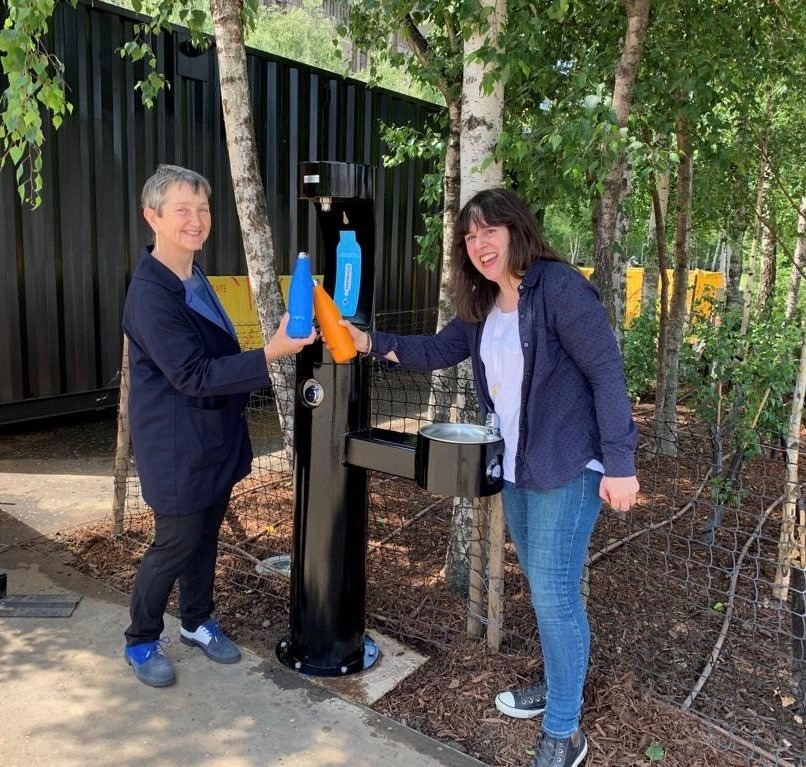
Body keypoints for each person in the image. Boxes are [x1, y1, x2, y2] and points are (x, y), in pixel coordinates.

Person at [339, 188, 638, 767]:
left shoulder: (559, 290)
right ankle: (561, 691)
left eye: (488, 231)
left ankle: (564, 732)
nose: (479, 246)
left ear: (516, 229)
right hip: (521, 468)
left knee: (553, 598)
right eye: (469, 238)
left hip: (569, 468)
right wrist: (371, 343)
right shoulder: (482, 305)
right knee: (549, 592)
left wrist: (621, 463)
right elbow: (434, 350)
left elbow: (607, 373)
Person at [121, 164, 315, 688]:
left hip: (212, 437)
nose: (196, 219)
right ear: (152, 217)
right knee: (176, 543)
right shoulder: (151, 295)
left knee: (204, 537)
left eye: (202, 209)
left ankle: (197, 622)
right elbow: (192, 374)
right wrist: (270, 352)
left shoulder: (192, 273)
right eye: (182, 209)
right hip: (177, 445)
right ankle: (140, 639)